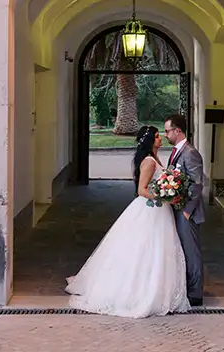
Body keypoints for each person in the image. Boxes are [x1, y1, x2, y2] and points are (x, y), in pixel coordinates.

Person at [65, 125, 190, 318]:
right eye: (157, 137)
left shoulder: (155, 158)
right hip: (150, 210)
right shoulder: (148, 162)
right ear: (149, 141)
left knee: (159, 249)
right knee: (146, 248)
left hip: (160, 211)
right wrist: (163, 197)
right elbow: (142, 189)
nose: (160, 139)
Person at [164, 114, 205, 306]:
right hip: (178, 208)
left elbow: (197, 183)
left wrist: (187, 210)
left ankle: (195, 294)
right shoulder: (176, 152)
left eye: (167, 131)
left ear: (177, 131)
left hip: (187, 212)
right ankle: (186, 287)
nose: (165, 134)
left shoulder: (190, 153)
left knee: (191, 251)